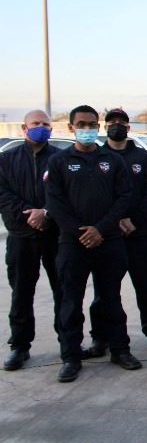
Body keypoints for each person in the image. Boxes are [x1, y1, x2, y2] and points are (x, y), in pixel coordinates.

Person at [45, 105, 141, 382]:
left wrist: (100, 229)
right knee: (70, 301)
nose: (87, 129)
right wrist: (80, 232)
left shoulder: (112, 160)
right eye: (82, 124)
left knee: (110, 298)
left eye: (91, 124)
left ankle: (119, 349)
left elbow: (123, 197)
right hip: (72, 244)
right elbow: (55, 203)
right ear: (71, 127)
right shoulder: (59, 162)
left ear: (97, 128)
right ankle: (71, 357)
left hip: (108, 241)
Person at [85, 109, 147, 355]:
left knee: (146, 287)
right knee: (104, 292)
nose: (117, 126)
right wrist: (111, 223)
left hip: (140, 234)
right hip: (108, 237)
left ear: (128, 128)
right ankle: (101, 338)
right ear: (105, 126)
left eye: (121, 122)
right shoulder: (98, 157)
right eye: (112, 122)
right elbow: (93, 197)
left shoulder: (142, 157)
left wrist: (136, 220)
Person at [0, 110, 61, 371]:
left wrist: (46, 212)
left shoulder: (60, 159)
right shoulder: (7, 159)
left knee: (64, 291)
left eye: (46, 124)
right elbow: (3, 193)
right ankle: (20, 346)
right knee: (22, 292)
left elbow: (66, 193)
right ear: (24, 129)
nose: (41, 128)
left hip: (55, 235)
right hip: (21, 236)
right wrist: (28, 215)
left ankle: (69, 341)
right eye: (35, 124)